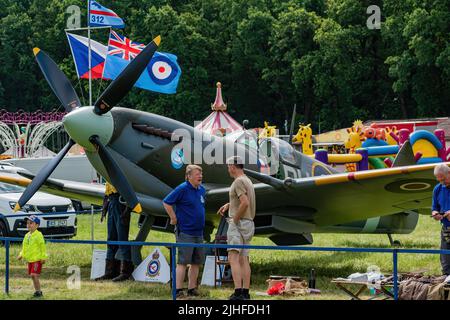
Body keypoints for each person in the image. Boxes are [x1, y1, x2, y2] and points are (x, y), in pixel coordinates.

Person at [163, 165, 206, 299]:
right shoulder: (182, 188)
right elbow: (166, 202)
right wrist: (173, 217)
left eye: (201, 174)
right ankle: (178, 291)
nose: (200, 176)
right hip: (185, 232)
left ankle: (192, 288)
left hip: (199, 233)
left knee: (196, 262)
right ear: (189, 176)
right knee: (182, 262)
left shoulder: (201, 190)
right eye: (197, 174)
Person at [218, 156, 256, 300]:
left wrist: (234, 219)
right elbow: (243, 200)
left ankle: (238, 292)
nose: (228, 169)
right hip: (249, 223)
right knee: (244, 258)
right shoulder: (247, 180)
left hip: (239, 224)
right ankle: (245, 293)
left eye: (228, 166)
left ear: (233, 167)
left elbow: (244, 203)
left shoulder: (238, 181)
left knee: (233, 257)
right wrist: (229, 205)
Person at [95, 182, 133, 282]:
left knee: (122, 238)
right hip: (111, 200)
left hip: (121, 202)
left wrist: (127, 208)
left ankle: (125, 272)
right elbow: (107, 192)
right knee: (111, 239)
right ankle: (110, 271)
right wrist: (105, 207)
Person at [18, 215, 48, 298]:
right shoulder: (27, 235)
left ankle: (39, 292)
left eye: (31, 223)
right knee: (32, 276)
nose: (28, 225)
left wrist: (43, 257)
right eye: (27, 223)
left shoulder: (38, 235)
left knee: (34, 275)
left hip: (37, 259)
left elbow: (42, 247)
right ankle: (37, 291)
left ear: (37, 225)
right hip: (30, 260)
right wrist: (21, 254)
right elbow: (24, 247)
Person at [431, 163, 450, 275]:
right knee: (446, 262)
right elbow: (434, 208)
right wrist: (435, 214)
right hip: (446, 229)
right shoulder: (438, 189)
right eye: (439, 180)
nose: (442, 183)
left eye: (443, 179)